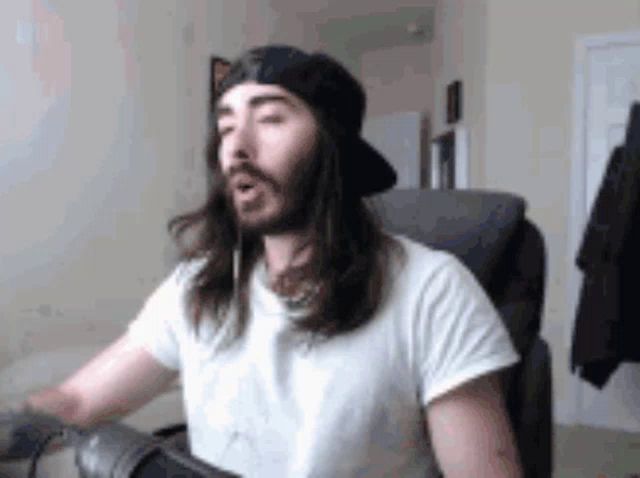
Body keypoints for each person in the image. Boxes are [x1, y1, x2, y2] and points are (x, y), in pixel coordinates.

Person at [10, 45, 523, 477]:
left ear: (334, 149)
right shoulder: (195, 287)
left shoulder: (432, 290)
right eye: (227, 126)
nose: (237, 148)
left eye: (271, 118)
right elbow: (75, 404)